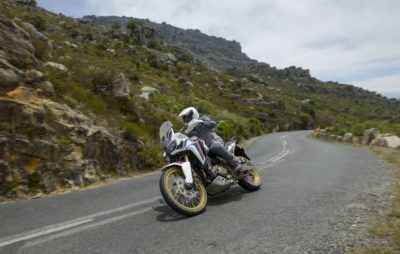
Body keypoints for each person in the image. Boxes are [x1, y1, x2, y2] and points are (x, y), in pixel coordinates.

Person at [178, 107, 243, 174]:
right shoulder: (188, 131)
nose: (186, 120)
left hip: (213, 140)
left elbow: (213, 123)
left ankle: (235, 163)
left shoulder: (202, 119)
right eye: (184, 118)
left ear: (193, 115)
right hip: (203, 149)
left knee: (215, 147)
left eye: (187, 117)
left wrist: (201, 122)